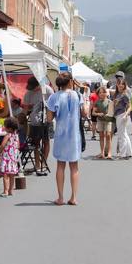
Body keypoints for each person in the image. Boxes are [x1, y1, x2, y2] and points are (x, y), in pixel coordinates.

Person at [47, 72, 86, 205]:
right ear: (70, 82)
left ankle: (60, 197)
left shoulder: (54, 97)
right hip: (74, 135)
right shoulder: (77, 95)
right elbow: (85, 112)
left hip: (61, 135)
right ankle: (74, 197)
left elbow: (49, 118)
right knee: (74, 166)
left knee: (60, 165)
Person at [23, 76, 54, 176]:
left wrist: (51, 117)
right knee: (36, 144)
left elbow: (53, 105)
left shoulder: (48, 90)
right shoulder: (28, 93)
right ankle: (37, 164)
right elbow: (26, 108)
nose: (32, 89)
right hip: (34, 122)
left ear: (39, 84)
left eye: (34, 87)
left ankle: (43, 162)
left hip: (46, 120)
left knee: (46, 141)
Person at [0, 117, 20, 196]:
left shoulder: (7, 135)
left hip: (6, 157)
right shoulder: (16, 136)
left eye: (5, 126)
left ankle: (5, 190)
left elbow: (3, 145)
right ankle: (11, 190)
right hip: (13, 158)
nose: (4, 127)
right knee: (12, 175)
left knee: (5, 175)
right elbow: (18, 146)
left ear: (9, 128)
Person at [113, 80, 132, 159]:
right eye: (119, 84)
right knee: (124, 134)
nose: (120, 85)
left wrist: (125, 114)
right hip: (118, 115)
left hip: (122, 115)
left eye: (122, 84)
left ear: (125, 85)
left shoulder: (125, 94)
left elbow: (130, 106)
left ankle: (122, 154)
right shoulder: (117, 94)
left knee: (121, 135)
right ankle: (128, 152)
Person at [93, 86, 114, 159]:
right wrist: (98, 114)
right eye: (100, 93)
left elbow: (111, 112)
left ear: (106, 93)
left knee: (108, 135)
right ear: (98, 94)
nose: (102, 94)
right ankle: (102, 153)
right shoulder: (97, 102)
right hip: (100, 120)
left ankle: (109, 153)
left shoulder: (109, 101)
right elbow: (93, 113)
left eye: (103, 92)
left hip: (108, 120)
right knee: (101, 135)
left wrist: (109, 114)